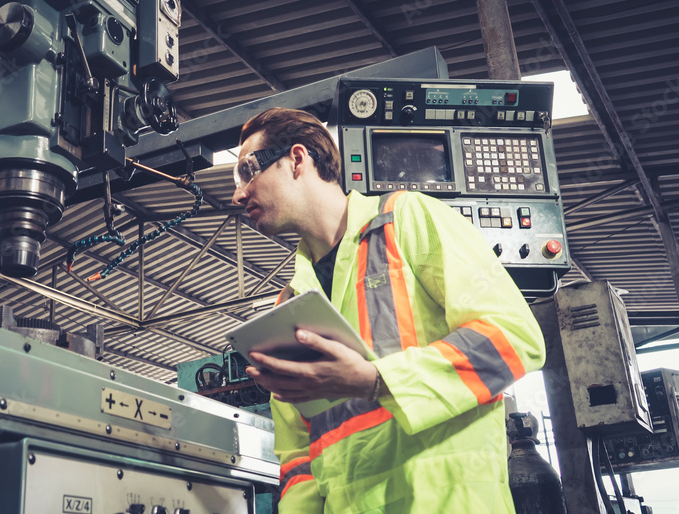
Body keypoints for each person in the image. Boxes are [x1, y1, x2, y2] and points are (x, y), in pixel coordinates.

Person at [231, 107, 546, 513]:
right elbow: (297, 456)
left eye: (247, 171)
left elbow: (515, 337)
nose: (239, 194)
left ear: (297, 159)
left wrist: (375, 379)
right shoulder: (288, 306)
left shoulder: (407, 219)